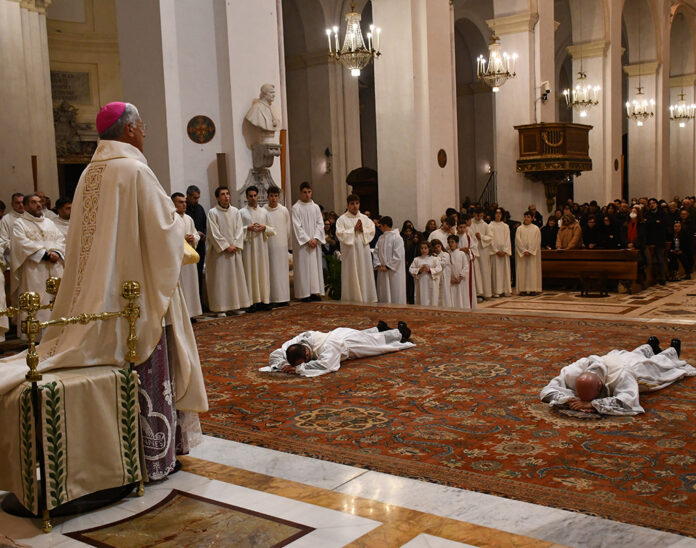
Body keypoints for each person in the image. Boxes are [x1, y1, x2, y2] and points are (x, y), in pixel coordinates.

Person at [0, 102, 208, 479]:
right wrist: (183, 225)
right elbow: (164, 231)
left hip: (97, 295)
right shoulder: (134, 170)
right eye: (142, 126)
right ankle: (155, 458)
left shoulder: (89, 175)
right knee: (146, 359)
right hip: (137, 296)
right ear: (128, 130)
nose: (145, 132)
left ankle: (123, 459)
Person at [540, 337, 695, 415]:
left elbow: (628, 402)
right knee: (633, 354)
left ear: (600, 385)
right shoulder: (574, 371)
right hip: (615, 358)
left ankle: (672, 352)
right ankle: (650, 345)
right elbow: (548, 389)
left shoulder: (622, 376)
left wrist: (592, 405)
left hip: (634, 369)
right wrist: (567, 399)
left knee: (658, 367)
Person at [261, 321, 413, 377]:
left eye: (301, 362)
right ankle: (378, 328)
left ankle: (401, 332)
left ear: (307, 354)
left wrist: (300, 369)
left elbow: (326, 364)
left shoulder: (329, 347)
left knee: (376, 344)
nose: (299, 365)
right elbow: (276, 354)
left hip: (346, 341)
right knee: (367, 336)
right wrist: (285, 365)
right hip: (339, 333)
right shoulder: (296, 343)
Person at [9, 193, 65, 327]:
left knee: (57, 300)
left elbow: (60, 240)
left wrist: (56, 252)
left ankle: (57, 331)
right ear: (26, 206)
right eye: (34, 202)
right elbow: (21, 244)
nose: (39, 204)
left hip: (54, 266)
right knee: (38, 301)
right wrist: (45, 255)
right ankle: (36, 335)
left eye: (40, 202)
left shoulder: (50, 223)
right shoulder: (19, 224)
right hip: (34, 268)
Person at [206, 186, 251, 315]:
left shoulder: (235, 212)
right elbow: (213, 233)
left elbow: (239, 229)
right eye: (223, 194)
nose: (226, 196)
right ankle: (221, 308)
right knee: (221, 280)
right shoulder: (213, 213)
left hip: (234, 250)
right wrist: (226, 246)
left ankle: (235, 306)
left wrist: (236, 244)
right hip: (220, 253)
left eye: (227, 194)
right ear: (218, 197)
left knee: (234, 279)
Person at [335, 194, 377, 303]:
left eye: (357, 203)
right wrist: (353, 230)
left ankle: (367, 296)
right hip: (350, 253)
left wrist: (363, 229)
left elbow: (372, 230)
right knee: (351, 273)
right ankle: (352, 297)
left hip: (363, 252)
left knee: (364, 271)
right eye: (352, 204)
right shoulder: (342, 219)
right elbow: (340, 234)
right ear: (348, 205)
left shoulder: (364, 218)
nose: (355, 206)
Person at [240, 185, 276, 312]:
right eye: (250, 196)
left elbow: (273, 229)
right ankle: (251, 302)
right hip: (249, 248)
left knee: (262, 272)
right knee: (250, 272)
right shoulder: (242, 213)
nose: (253, 198)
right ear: (246, 197)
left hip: (262, 247)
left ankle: (264, 301)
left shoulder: (264, 212)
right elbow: (237, 231)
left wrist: (264, 228)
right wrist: (246, 228)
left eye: (255, 196)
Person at [291, 182, 325, 302]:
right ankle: (305, 294)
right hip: (303, 245)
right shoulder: (296, 208)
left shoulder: (315, 207)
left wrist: (316, 238)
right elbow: (297, 226)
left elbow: (320, 224)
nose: (307, 195)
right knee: (303, 268)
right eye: (304, 192)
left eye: (309, 192)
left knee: (314, 268)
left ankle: (314, 292)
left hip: (314, 243)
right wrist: (307, 240)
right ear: (300, 193)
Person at [172, 192, 202, 318]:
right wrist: (183, 239)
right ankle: (183, 315)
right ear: (173, 203)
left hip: (190, 256)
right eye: (180, 202)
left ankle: (192, 313)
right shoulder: (171, 219)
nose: (184, 204)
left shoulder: (188, 218)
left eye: (185, 202)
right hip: (179, 258)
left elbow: (196, 234)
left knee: (191, 286)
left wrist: (193, 238)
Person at [264, 186, 291, 306]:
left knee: (282, 272)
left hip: (282, 245)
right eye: (271, 196)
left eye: (276, 196)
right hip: (269, 245)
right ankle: (273, 298)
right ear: (267, 197)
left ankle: (284, 298)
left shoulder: (284, 210)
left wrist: (284, 241)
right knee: (272, 272)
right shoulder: (263, 210)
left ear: (279, 197)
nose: (273, 199)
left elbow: (287, 227)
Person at [374, 216, 406, 304]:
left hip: (393, 272)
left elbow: (398, 256)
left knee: (395, 292)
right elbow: (376, 252)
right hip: (382, 270)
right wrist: (378, 264)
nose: (380, 228)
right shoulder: (381, 238)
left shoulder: (397, 238)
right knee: (384, 292)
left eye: (380, 226)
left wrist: (388, 267)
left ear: (385, 225)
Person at [185, 185, 207, 302]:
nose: (197, 200)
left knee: (198, 274)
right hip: (187, 248)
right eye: (194, 198)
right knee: (189, 277)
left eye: (198, 198)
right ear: (188, 196)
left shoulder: (200, 208)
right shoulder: (183, 210)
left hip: (200, 247)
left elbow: (204, 225)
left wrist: (202, 233)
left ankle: (199, 302)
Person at [515, 210, 542, 296]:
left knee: (532, 271)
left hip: (532, 255)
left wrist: (530, 251)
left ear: (532, 218)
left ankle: (533, 289)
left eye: (528, 217)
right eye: (525, 216)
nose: (526, 218)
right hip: (522, 255)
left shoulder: (536, 229)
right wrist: (523, 250)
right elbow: (517, 241)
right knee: (522, 271)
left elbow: (537, 241)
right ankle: (522, 289)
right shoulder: (519, 229)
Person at [409, 240, 442, 306]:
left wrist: (430, 270)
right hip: (421, 282)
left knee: (431, 297)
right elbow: (411, 269)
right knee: (421, 297)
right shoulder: (416, 259)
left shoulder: (434, 259)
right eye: (422, 248)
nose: (423, 250)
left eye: (425, 248)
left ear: (429, 249)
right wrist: (419, 270)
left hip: (431, 282)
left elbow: (439, 269)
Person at [644, 198, 668, 285]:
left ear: (657, 204)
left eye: (653, 203)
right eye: (650, 203)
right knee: (649, 260)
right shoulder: (647, 214)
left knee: (660, 259)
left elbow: (663, 225)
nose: (652, 205)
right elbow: (647, 225)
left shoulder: (662, 214)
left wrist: (654, 223)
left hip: (660, 240)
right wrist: (656, 222)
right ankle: (651, 278)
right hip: (650, 240)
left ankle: (662, 277)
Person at [456, 215, 477, 308]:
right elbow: (449, 250)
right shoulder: (454, 238)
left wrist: (468, 251)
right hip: (457, 264)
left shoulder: (468, 238)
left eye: (464, 227)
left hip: (467, 264)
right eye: (460, 227)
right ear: (457, 228)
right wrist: (460, 249)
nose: (462, 229)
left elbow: (474, 250)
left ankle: (468, 304)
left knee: (468, 284)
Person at [489, 208, 511, 297]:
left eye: (500, 213)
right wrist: (496, 250)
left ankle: (504, 290)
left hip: (504, 253)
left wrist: (505, 250)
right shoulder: (490, 226)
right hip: (495, 254)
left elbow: (507, 239)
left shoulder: (505, 226)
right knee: (496, 272)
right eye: (496, 213)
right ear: (494, 214)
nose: (498, 215)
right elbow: (490, 240)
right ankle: (496, 291)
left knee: (504, 272)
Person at [0, 192, 24, 274]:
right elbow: (3, 240)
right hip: (13, 258)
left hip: (31, 258)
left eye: (22, 202)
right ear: (12, 204)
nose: (21, 205)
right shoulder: (6, 219)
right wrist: (21, 249)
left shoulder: (31, 217)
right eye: (17, 203)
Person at [471, 208, 493, 299]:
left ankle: (486, 292)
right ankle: (477, 292)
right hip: (474, 250)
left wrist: (481, 237)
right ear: (474, 214)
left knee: (484, 270)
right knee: (476, 271)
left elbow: (490, 237)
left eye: (481, 215)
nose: (479, 217)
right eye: (477, 215)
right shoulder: (470, 224)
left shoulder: (486, 225)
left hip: (483, 250)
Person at [447, 235, 471, 309]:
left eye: (453, 242)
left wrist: (460, 277)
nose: (451, 244)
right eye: (449, 242)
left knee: (462, 296)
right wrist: (450, 278)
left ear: (457, 243)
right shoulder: (447, 254)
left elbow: (466, 266)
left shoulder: (461, 254)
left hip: (461, 280)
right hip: (451, 280)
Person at [431, 239, 452, 307]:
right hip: (437, 276)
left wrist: (435, 259)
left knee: (445, 292)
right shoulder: (433, 256)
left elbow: (443, 264)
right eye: (435, 248)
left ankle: (447, 307)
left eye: (438, 246)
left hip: (444, 276)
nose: (437, 249)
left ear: (441, 246)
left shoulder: (445, 254)